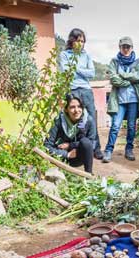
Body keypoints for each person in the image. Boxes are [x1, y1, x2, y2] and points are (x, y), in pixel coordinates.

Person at [59, 28, 102, 160]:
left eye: (83, 41)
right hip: (72, 90)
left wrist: (75, 67)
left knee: (90, 119)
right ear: (72, 41)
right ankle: (76, 147)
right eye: (78, 41)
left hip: (86, 91)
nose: (81, 44)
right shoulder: (64, 55)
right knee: (74, 120)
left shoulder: (87, 56)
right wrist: (82, 70)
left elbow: (92, 73)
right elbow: (66, 72)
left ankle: (96, 147)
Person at [103, 36, 139, 163]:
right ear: (120, 47)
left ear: (132, 48)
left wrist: (123, 75)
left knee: (131, 126)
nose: (126, 49)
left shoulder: (138, 62)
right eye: (123, 46)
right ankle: (108, 150)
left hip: (133, 100)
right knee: (115, 125)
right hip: (119, 100)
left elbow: (138, 76)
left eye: (128, 47)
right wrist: (127, 82)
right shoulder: (114, 62)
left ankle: (129, 149)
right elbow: (113, 78)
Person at [46, 94, 97, 174]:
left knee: (86, 142)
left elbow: (92, 144)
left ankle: (88, 175)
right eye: (72, 107)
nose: (77, 110)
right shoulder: (58, 121)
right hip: (60, 157)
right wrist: (67, 154)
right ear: (66, 109)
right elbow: (47, 146)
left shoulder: (88, 120)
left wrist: (71, 145)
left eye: (79, 106)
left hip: (79, 156)